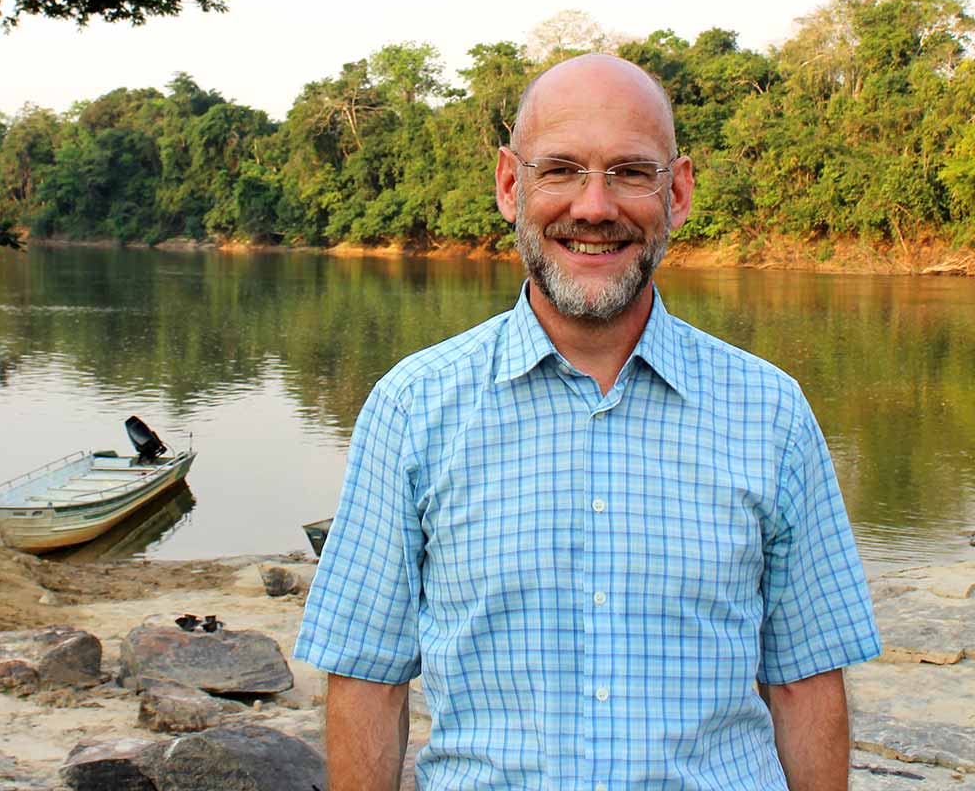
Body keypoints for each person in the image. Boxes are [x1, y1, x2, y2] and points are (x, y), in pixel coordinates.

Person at [294, 53, 881, 791]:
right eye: (561, 169)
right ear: (511, 185)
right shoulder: (412, 408)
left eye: (631, 172)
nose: (595, 207)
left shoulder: (771, 413)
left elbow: (805, 679)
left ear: (678, 192)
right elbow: (367, 677)